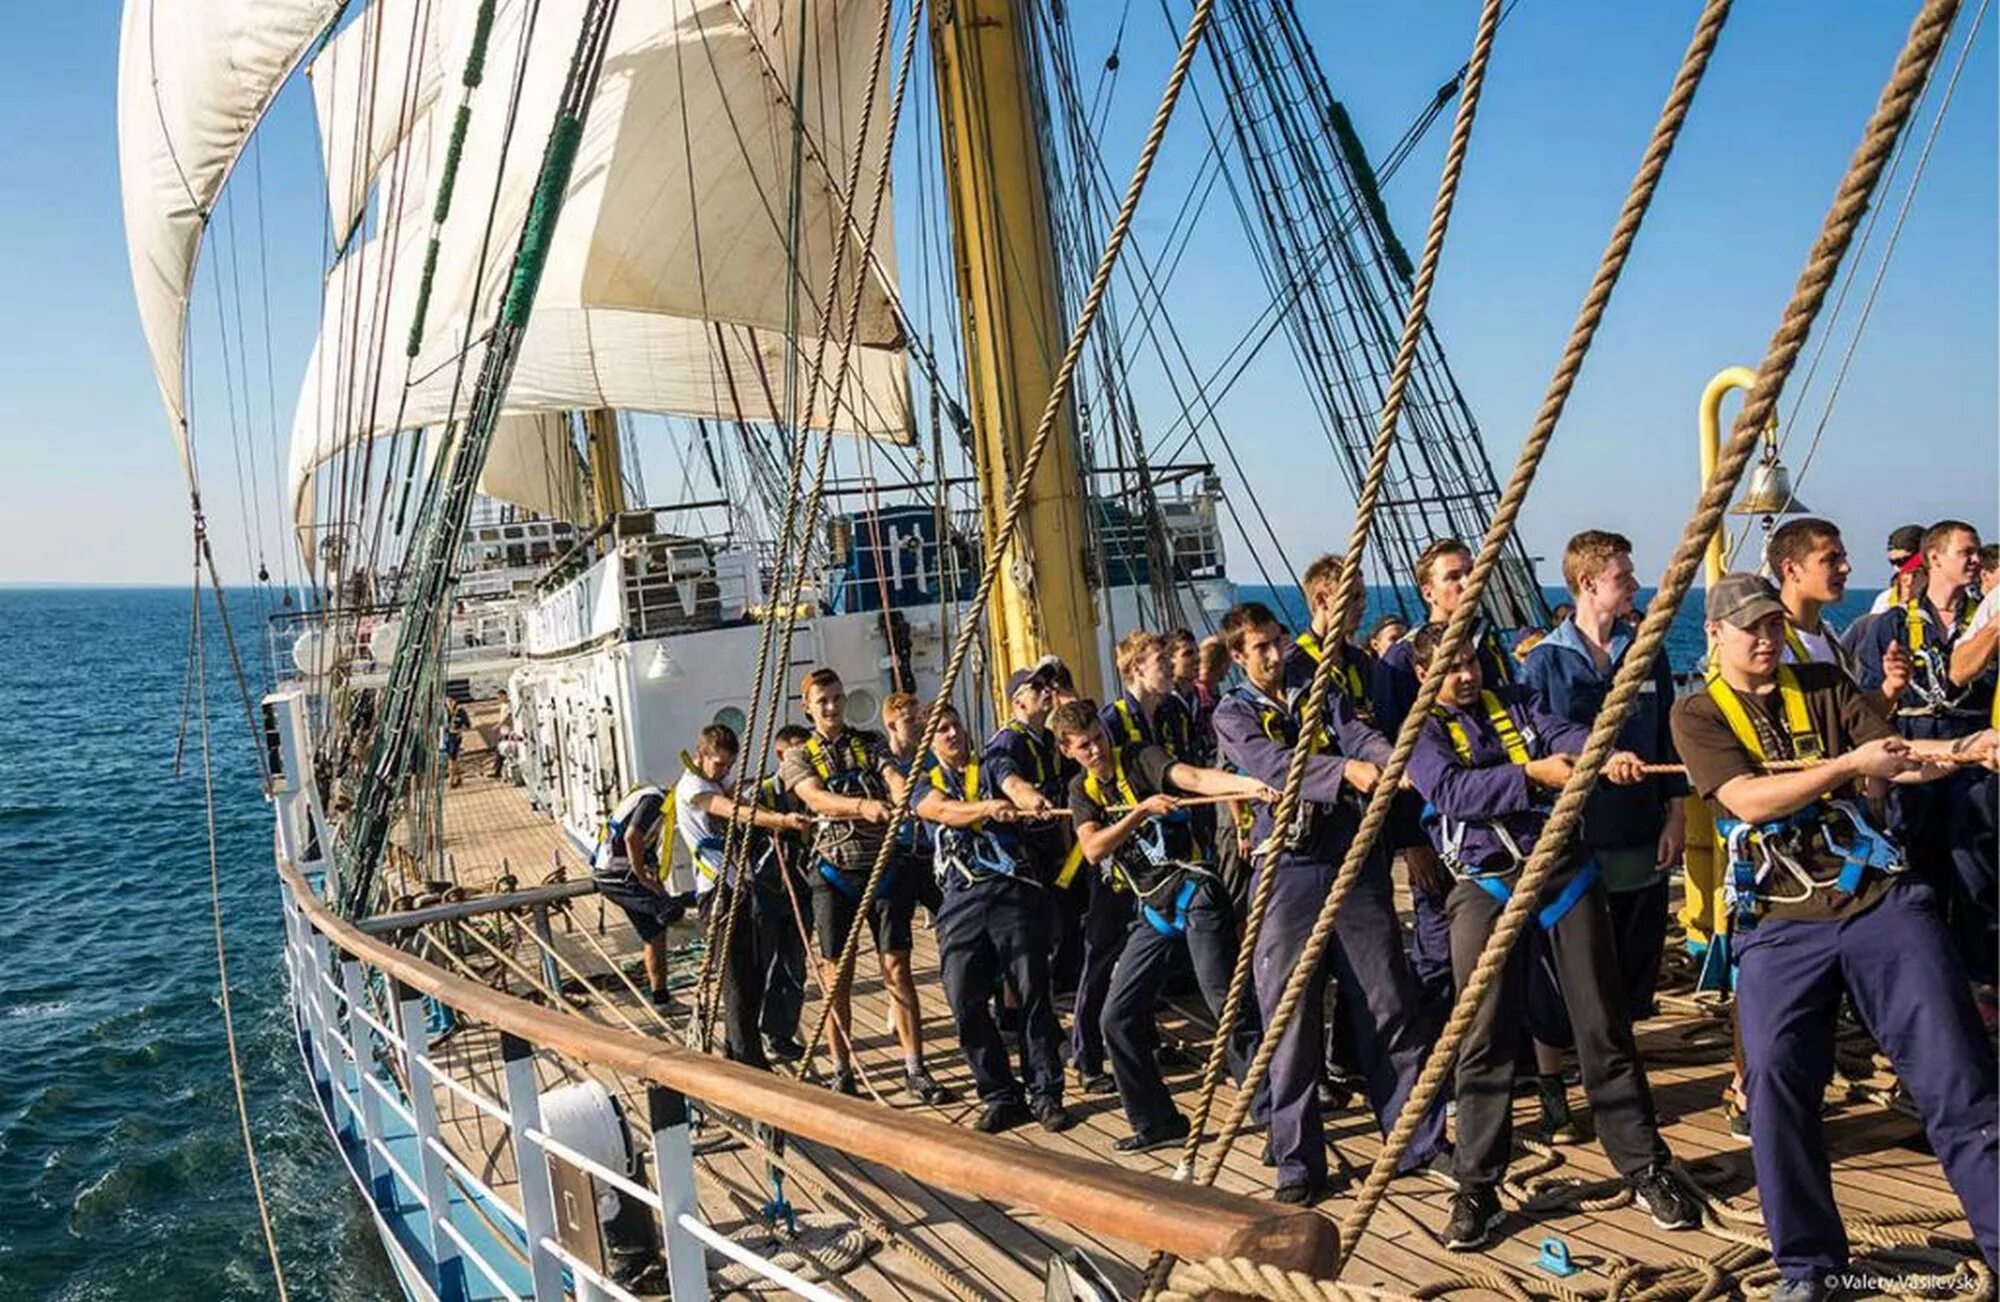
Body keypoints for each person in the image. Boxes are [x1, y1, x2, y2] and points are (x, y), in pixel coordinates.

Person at [1671, 573, 1999, 1299]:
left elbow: (1893, 757)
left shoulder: (1822, 681)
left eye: (1772, 625)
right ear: (1716, 635)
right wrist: (1848, 766)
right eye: (1750, 627)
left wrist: (1963, 750)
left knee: (1959, 1078)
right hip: (1782, 922)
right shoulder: (1698, 716)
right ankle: (1810, 1268)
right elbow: (1747, 801)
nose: (1764, 638)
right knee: (1777, 1091)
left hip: (1878, 900)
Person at [1406, 622, 1698, 1250]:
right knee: (1485, 1035)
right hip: (1485, 883)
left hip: (1562, 873)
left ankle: (1644, 1164)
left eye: (1471, 661)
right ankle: (1477, 1186)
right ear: (1424, 674)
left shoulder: (1515, 705)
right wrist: (1532, 775)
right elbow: (1453, 791)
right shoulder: (1423, 736)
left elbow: (1566, 735)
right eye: (1451, 666)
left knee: (1603, 1022)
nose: (1465, 674)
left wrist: (1604, 753)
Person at [1212, 602, 1449, 1205]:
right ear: (1239, 657)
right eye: (1259, 647)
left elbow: (1355, 729)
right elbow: (1272, 764)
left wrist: (1385, 757)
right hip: (1288, 870)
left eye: (1275, 641)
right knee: (1289, 1018)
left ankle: (1415, 1139)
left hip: (1350, 858)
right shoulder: (1233, 713)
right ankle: (1297, 1163)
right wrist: (1347, 771)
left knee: (1387, 999)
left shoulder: (1318, 687)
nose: (1273, 653)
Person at [1519, 532, 1686, 1142]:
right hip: (1578, 836)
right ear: (1590, 584)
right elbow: (1541, 732)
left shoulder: (1648, 653)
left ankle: (1618, 1082)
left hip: (1641, 829)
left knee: (1630, 966)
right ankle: (1551, 1084)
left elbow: (1668, 735)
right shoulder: (1544, 662)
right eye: (1624, 576)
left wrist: (1676, 813)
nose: (1635, 586)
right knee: (1562, 969)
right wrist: (1599, 751)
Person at [1055, 700, 1277, 1151]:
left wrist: (1250, 784)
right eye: (1085, 746)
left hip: (1194, 893)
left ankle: (1276, 1119)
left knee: (1227, 1007)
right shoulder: (1082, 791)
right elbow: (1093, 849)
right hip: (1152, 910)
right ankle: (1156, 1121)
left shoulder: (1139, 758)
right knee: (1116, 1018)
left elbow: (1193, 778)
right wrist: (1139, 812)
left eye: (1098, 738)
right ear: (1068, 751)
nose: (1096, 750)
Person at [778, 668, 944, 1102]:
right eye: (823, 701)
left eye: (836, 698)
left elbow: (892, 775)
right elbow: (814, 797)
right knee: (838, 977)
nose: (832, 707)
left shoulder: (868, 743)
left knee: (898, 971)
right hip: (835, 875)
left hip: (883, 870)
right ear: (808, 708)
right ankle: (841, 1069)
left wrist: (902, 795)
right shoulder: (799, 757)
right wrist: (860, 806)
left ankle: (914, 1067)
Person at [912, 703, 1073, 1133]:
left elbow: (1013, 782)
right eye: (941, 730)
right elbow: (941, 812)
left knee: (1032, 992)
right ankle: (1000, 1094)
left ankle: (1045, 1092)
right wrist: (987, 809)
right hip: (960, 899)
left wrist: (1027, 798)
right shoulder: (922, 783)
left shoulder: (991, 763)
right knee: (964, 999)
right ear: (929, 741)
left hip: (1009, 891)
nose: (951, 734)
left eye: (955, 725)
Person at [1850, 521, 1999, 982]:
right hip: (1914, 754)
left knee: (1978, 874)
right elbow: (1871, 706)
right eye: (1965, 553)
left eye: (1977, 554)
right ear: (1934, 558)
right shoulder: (1890, 626)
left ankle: (1980, 983)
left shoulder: (1983, 617)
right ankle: (1922, 980)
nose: (1975, 561)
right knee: (1916, 873)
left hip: (1976, 757)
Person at [673, 725, 813, 1068]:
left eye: (728, 765)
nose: (724, 771)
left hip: (740, 890)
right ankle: (747, 1061)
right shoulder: (694, 787)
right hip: (717, 896)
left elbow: (740, 797)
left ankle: (743, 1051)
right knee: (735, 982)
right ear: (701, 755)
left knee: (752, 978)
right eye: (719, 764)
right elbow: (733, 811)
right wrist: (779, 820)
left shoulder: (715, 782)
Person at [593, 779, 691, 1009]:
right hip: (618, 877)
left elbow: (644, 844)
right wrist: (641, 876)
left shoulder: (657, 802)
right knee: (671, 912)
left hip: (617, 875)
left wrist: (651, 874)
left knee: (655, 935)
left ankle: (662, 1000)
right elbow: (632, 837)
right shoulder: (655, 800)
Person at [882, 692, 944, 923]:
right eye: (909, 721)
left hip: (929, 850)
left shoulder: (929, 759)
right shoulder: (883, 765)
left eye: (918, 720)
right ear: (891, 725)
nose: (917, 727)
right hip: (897, 854)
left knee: (951, 917)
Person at [1866, 523, 1929, 615]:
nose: (1897, 569)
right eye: (1892, 562)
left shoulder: (1949, 598)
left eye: (1903, 561)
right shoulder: (1885, 601)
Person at [442, 694, 471, 788]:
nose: (449, 703)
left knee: (451, 760)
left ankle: (451, 781)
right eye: (448, 701)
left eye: (451, 701)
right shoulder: (445, 712)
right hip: (446, 737)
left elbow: (468, 726)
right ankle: (458, 777)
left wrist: (459, 730)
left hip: (455, 737)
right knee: (453, 760)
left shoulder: (460, 712)